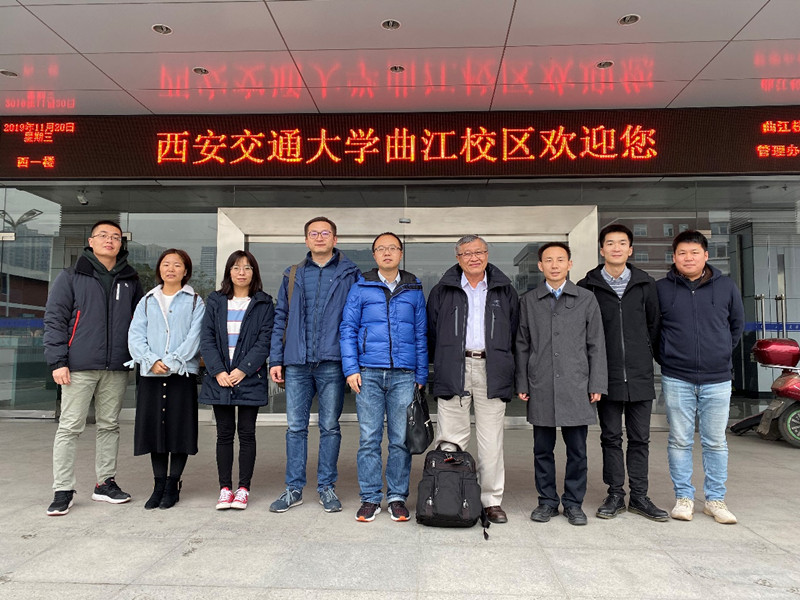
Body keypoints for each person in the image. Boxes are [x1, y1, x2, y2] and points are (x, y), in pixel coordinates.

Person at [44, 220, 143, 516]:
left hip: (116, 366)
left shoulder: (130, 278)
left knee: (109, 425)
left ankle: (105, 483)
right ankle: (63, 489)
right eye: (103, 235)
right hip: (79, 365)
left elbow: (139, 321)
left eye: (115, 237)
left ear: (121, 243)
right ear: (91, 241)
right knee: (70, 427)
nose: (109, 240)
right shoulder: (71, 276)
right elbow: (55, 319)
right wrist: (58, 361)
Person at [269, 217, 360, 513]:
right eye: (313, 233)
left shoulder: (350, 274)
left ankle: (326, 487)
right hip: (297, 362)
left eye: (325, 233)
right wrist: (276, 358)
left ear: (335, 239)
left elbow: (357, 319)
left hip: (332, 362)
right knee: (296, 428)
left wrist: (353, 362)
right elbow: (280, 317)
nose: (319, 237)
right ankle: (294, 488)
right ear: (306, 240)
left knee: (330, 427)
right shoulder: (292, 274)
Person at [577, 224, 668, 522]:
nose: (616, 248)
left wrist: (647, 356)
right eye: (610, 243)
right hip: (606, 374)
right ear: (601, 249)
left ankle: (639, 496)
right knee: (611, 437)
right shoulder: (587, 286)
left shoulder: (645, 284)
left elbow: (654, 326)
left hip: (640, 373)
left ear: (630, 249)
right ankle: (615, 494)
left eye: (622, 243)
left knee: (641, 438)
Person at [427, 234, 518, 524]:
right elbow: (432, 332)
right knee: (451, 438)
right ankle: (449, 495)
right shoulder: (442, 291)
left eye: (478, 252)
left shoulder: (504, 290)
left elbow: (515, 332)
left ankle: (491, 501)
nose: (473, 257)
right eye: (466, 253)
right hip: (454, 366)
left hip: (493, 367)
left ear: (487, 254)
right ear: (458, 258)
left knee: (491, 440)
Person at [516, 242, 607, 526]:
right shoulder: (529, 301)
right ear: (540, 266)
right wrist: (522, 381)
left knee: (577, 450)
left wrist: (596, 382)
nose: (554, 265)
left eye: (560, 259)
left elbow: (596, 344)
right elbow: (522, 344)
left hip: (576, 384)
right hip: (541, 383)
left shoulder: (586, 299)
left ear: (569, 264)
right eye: (548, 260)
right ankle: (546, 501)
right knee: (542, 449)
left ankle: (573, 503)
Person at [657, 230, 744, 524]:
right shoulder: (661, 289)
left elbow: (736, 326)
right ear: (674, 257)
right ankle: (683, 497)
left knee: (715, 441)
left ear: (706, 255)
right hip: (677, 377)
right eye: (682, 253)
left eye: (694, 252)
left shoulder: (726, 286)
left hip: (717, 378)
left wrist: (720, 353)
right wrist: (667, 356)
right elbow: (654, 331)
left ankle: (715, 500)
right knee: (679, 440)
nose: (688, 258)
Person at [340, 233, 428, 522]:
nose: (387, 252)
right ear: (374, 255)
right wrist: (351, 369)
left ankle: (397, 497)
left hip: (404, 374)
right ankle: (370, 498)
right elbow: (348, 329)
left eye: (392, 248)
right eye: (381, 248)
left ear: (400, 253)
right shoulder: (360, 287)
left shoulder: (414, 289)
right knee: (369, 438)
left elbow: (420, 333)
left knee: (400, 440)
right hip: (368, 372)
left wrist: (421, 373)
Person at [127, 249, 205, 509]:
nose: (171, 269)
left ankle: (173, 484)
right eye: (166, 264)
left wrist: (171, 362)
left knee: (178, 430)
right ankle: (158, 484)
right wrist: (150, 360)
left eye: (177, 265)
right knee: (155, 431)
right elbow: (135, 335)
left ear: (186, 270)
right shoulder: (147, 300)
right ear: (159, 269)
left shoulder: (195, 301)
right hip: (151, 373)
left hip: (181, 373)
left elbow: (195, 337)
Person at [200, 250, 274, 511]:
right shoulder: (216, 301)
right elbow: (207, 338)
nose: (241, 272)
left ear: (254, 272)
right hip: (220, 378)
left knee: (247, 433)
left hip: (249, 377)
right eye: (236, 267)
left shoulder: (264, 303)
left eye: (247, 268)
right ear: (228, 272)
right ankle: (224, 489)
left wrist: (244, 370)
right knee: (224, 434)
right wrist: (218, 371)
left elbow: (265, 340)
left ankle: (243, 489)